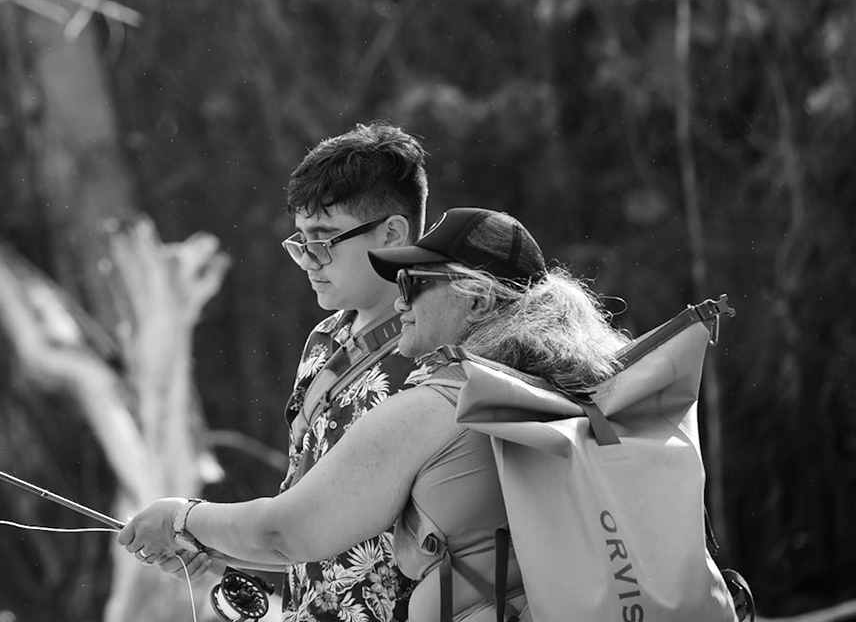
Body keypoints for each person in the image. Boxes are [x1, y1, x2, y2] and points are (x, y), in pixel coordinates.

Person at [117, 207, 633, 622]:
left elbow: (288, 532)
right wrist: (211, 542)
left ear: (476, 300)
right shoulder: (562, 391)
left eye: (413, 283)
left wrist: (181, 516)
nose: (400, 302)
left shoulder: (442, 405)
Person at [271, 123, 432, 622]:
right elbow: (298, 517)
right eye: (300, 242)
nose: (308, 262)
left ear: (392, 234)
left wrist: (188, 518)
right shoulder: (323, 340)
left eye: (324, 241)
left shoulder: (439, 348)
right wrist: (205, 546)